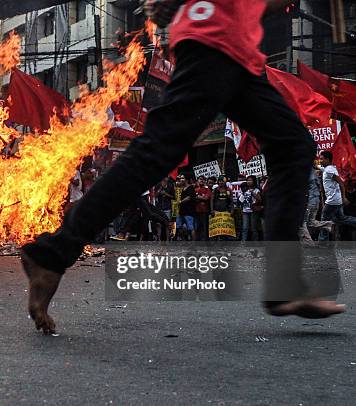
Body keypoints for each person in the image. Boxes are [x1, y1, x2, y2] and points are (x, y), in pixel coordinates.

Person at [20, 0, 344, 334]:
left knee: (293, 146)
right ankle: (53, 253)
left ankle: (284, 283)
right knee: (158, 151)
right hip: (214, 41)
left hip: (237, 53)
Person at [318, 151, 356, 241]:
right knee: (342, 218)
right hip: (336, 200)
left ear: (327, 159)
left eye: (322, 159)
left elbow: (341, 183)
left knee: (324, 221)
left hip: (332, 201)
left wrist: (344, 198)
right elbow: (317, 166)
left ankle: (322, 243)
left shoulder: (329, 170)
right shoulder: (327, 169)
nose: (320, 161)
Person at [238, 175, 261, 241]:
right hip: (245, 211)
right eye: (247, 180)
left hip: (253, 211)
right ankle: (243, 242)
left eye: (250, 180)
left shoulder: (256, 190)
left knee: (254, 228)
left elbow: (259, 199)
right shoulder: (244, 189)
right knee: (245, 228)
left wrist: (253, 193)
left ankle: (255, 243)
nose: (249, 182)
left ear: (254, 181)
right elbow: (240, 200)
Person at [176, 173, 196, 240]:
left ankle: (194, 244)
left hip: (189, 211)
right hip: (181, 211)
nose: (181, 180)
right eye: (180, 178)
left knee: (191, 228)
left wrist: (181, 202)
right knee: (178, 226)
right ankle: (184, 240)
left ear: (186, 180)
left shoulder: (190, 188)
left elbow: (188, 198)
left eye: (183, 178)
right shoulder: (183, 188)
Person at [194, 175, 212, 240]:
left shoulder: (207, 189)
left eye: (203, 179)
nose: (201, 180)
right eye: (200, 179)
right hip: (196, 211)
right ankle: (197, 240)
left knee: (205, 227)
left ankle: (205, 240)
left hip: (205, 211)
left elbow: (207, 198)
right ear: (197, 180)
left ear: (205, 181)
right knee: (197, 226)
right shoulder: (195, 189)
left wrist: (198, 197)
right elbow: (194, 198)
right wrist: (202, 197)